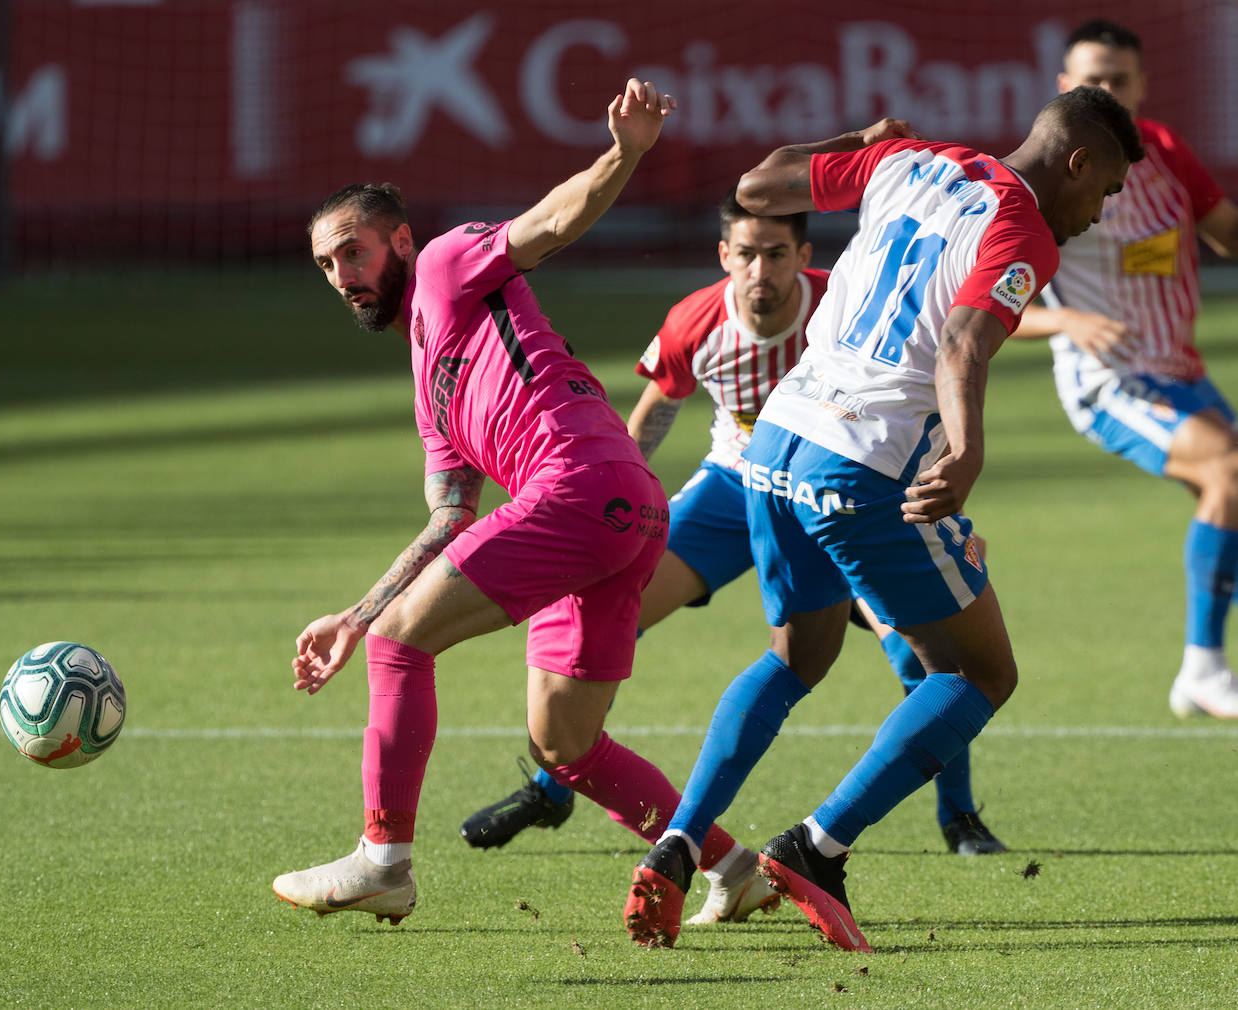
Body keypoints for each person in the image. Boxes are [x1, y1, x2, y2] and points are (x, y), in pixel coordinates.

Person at [623, 86, 1142, 951]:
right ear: (1078, 161)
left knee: (800, 653)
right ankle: (815, 848)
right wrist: (968, 452)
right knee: (978, 673)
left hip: (776, 441)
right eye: (1108, 188)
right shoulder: (1024, 230)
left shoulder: (908, 159)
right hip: (862, 459)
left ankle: (679, 842)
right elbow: (963, 342)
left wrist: (857, 137)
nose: (1104, 209)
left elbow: (758, 187)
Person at [271, 79, 754, 927]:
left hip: (578, 485)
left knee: (401, 649)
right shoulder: (429, 389)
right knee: (566, 746)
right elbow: (449, 520)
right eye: (326, 265)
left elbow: (553, 222)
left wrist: (626, 153)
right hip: (627, 508)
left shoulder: (450, 264)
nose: (343, 275)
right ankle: (731, 867)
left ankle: (384, 859)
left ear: (400, 241)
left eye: (354, 251)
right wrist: (357, 611)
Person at [459, 195, 1007, 900]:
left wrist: (943, 523)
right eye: (745, 254)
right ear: (725, 257)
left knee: (924, 655)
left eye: (776, 254)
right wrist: (613, 514)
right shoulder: (697, 321)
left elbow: (919, 407)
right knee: (603, 614)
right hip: (730, 491)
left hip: (834, 487)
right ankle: (557, 780)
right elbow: (649, 420)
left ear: (804, 258)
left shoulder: (842, 306)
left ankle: (958, 816)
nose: (760, 271)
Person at [1015, 20, 1238, 719]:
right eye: (1091, 79)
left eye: (1118, 80)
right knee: (1228, 472)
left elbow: (1226, 233)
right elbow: (984, 304)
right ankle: (1202, 669)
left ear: (1142, 87)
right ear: (1062, 89)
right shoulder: (1044, 179)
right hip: (1108, 381)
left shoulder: (1165, 150)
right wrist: (1069, 321)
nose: (1105, 91)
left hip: (1182, 373)